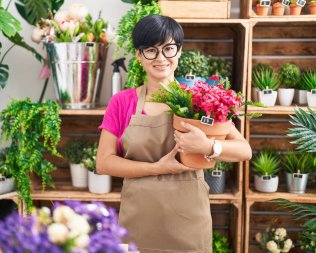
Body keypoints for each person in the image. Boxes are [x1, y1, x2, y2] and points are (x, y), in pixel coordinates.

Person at [96, 14, 252, 253]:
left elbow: (244, 150)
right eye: (151, 50)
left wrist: (209, 146)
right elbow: (104, 163)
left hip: (189, 224)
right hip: (138, 223)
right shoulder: (122, 102)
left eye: (168, 49)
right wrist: (158, 168)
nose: (161, 58)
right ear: (139, 55)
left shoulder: (200, 100)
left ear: (179, 51)